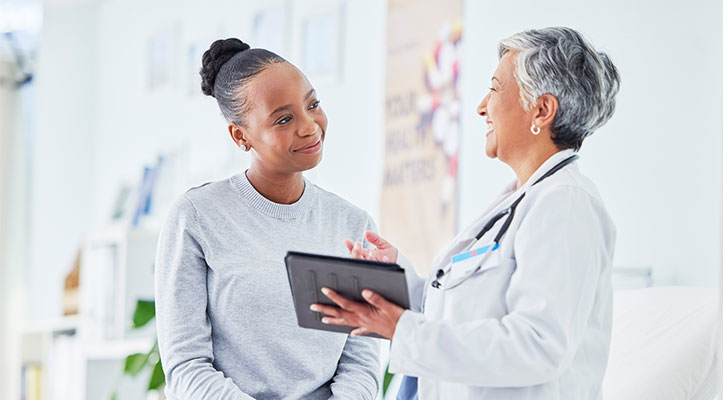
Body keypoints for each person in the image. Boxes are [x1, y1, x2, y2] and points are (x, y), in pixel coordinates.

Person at [312, 27, 620, 399]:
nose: (481, 106)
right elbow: (461, 311)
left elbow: (538, 344)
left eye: (495, 88)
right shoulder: (520, 201)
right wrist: (397, 279)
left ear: (541, 110)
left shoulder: (566, 203)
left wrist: (403, 329)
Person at [154, 38, 380, 400]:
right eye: (284, 119)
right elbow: (186, 365)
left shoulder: (354, 225)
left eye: (314, 104)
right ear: (241, 136)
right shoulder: (196, 217)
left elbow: (362, 363)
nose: (309, 126)